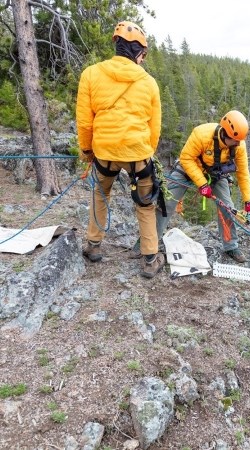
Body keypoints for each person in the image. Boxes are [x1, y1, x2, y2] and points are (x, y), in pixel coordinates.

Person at [76, 20, 165, 278]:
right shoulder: (149, 83)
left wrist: (87, 151)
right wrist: (147, 152)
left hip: (104, 152)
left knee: (100, 193)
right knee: (145, 204)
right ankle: (150, 259)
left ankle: (93, 245)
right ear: (138, 52)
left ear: (117, 46)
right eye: (143, 55)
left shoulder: (91, 74)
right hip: (138, 153)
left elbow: (84, 121)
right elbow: (154, 128)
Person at [150, 110, 250, 263]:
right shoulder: (201, 134)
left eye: (239, 141)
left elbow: (243, 173)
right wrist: (201, 183)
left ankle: (231, 246)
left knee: (227, 207)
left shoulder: (239, 145)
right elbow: (186, 158)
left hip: (215, 175)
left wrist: (249, 201)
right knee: (166, 201)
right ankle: (149, 241)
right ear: (225, 133)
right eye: (235, 140)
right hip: (188, 170)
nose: (238, 144)